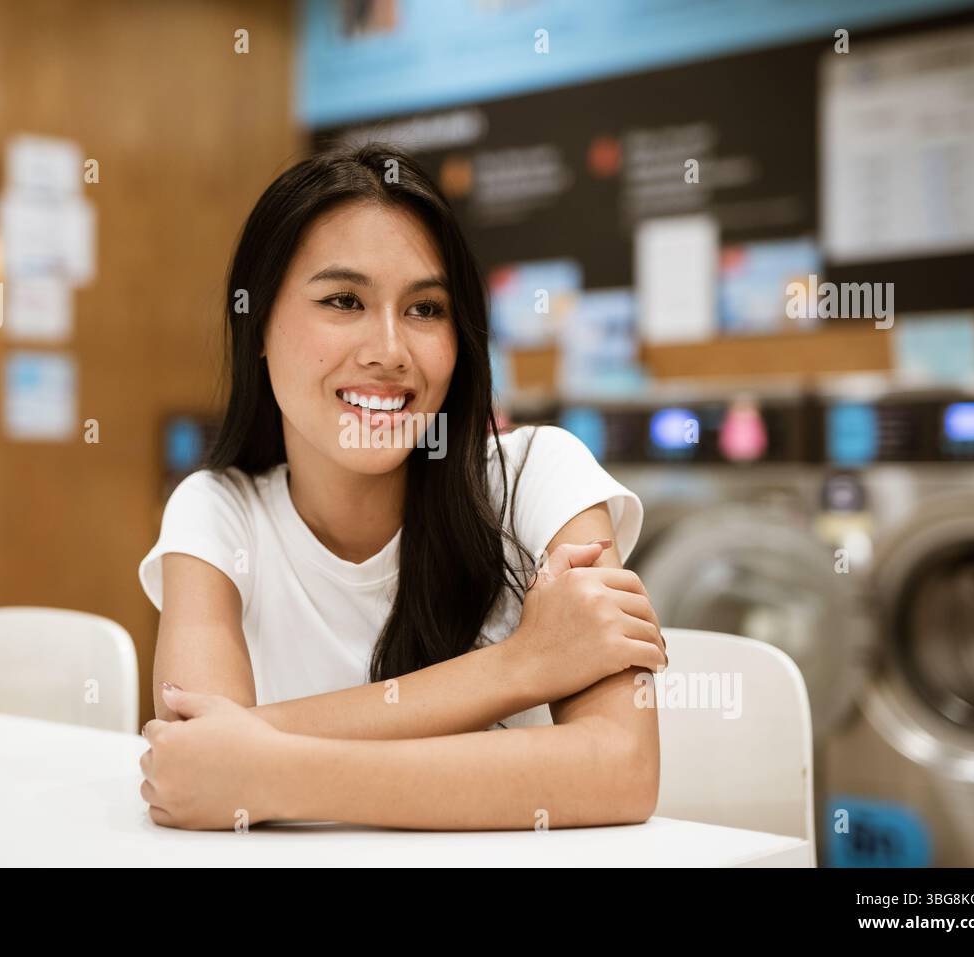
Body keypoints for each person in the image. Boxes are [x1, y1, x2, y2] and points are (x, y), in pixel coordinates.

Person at [137, 143, 667, 830]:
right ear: (258, 324)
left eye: (425, 310)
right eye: (344, 300)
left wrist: (266, 768)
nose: (389, 349)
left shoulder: (541, 475)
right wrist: (521, 666)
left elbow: (622, 771)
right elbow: (193, 766)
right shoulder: (216, 512)